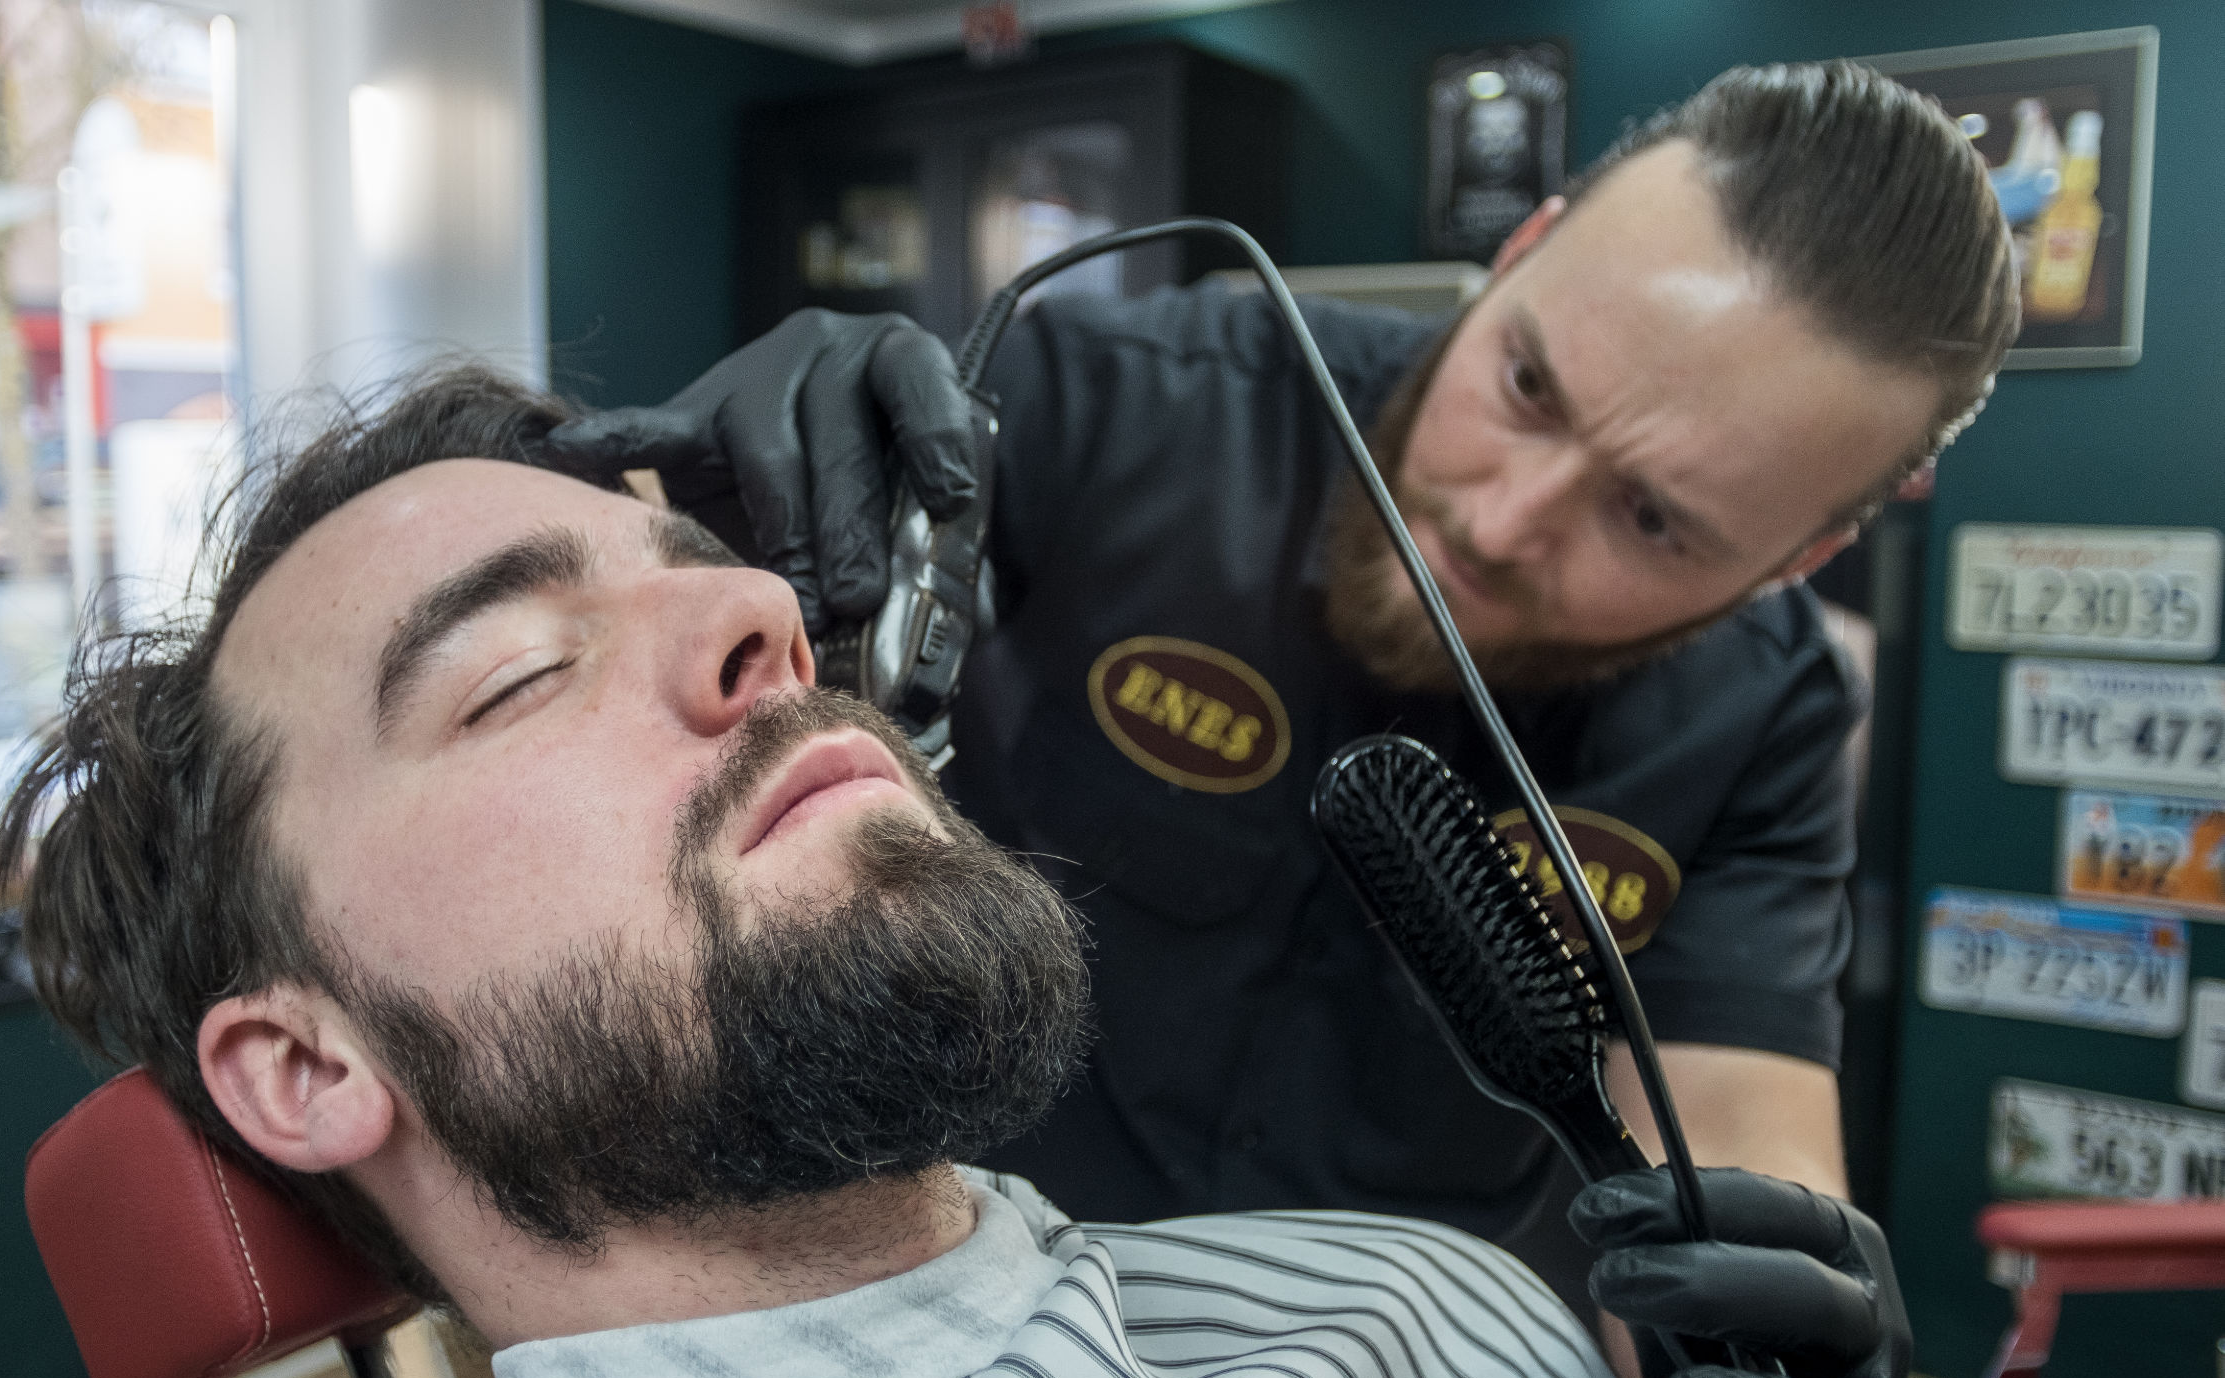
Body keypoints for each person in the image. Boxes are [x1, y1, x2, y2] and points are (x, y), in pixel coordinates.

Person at [0, 367, 1907, 1378]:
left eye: (704, 563)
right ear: (307, 1067)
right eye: (511, 672)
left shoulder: (1441, 1310)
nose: (762, 605)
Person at [541, 60, 2019, 1309]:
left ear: (1800, 554)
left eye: (1652, 519)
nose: (1501, 522)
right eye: (1527, 386)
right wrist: (684, 530)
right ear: (1524, 251)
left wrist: (1765, 1330)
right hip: (939, 1296)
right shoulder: (1117, 407)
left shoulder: (1762, 719)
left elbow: (1744, 1147)